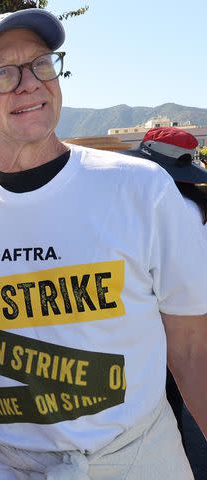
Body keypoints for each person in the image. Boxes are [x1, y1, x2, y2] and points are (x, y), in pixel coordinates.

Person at [0, 8, 207, 480]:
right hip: (1, 465)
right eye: (2, 74)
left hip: (133, 462)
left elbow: (192, 349)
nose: (31, 83)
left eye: (41, 64)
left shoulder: (142, 190)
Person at [120, 126, 207, 454]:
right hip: (192, 317)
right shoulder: (196, 208)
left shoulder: (165, 211)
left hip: (163, 324)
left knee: (164, 411)